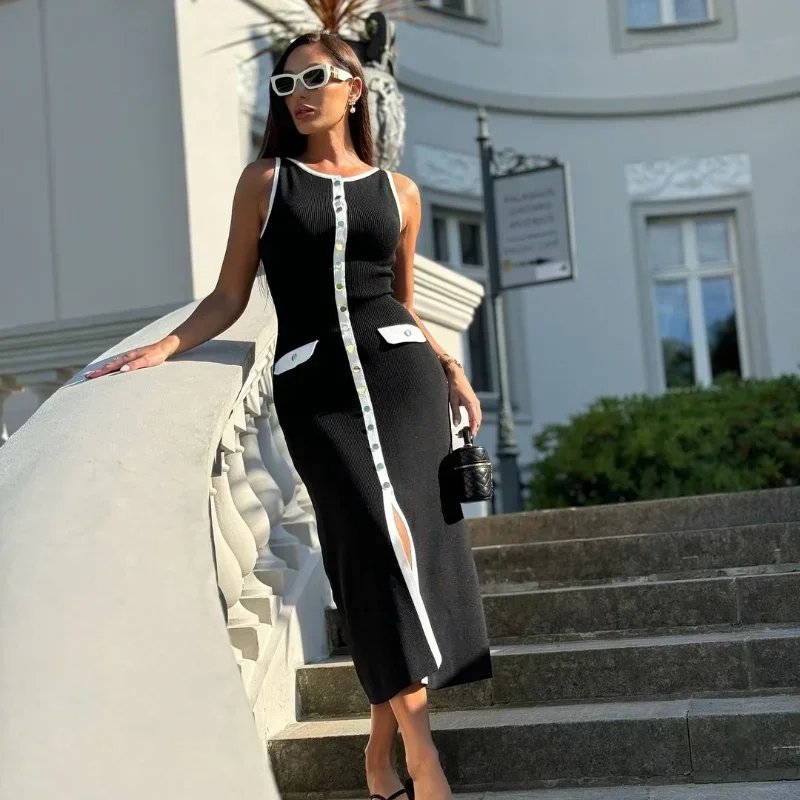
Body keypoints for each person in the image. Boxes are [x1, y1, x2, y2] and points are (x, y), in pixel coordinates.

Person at [85, 30, 492, 800]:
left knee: (407, 548)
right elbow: (228, 295)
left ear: (354, 87)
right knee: (369, 540)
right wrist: (164, 346)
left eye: (314, 78)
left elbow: (402, 301)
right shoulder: (267, 182)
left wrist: (451, 367)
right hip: (318, 389)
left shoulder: (399, 193)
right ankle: (422, 756)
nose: (298, 95)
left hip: (403, 381)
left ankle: (389, 755)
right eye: (285, 85)